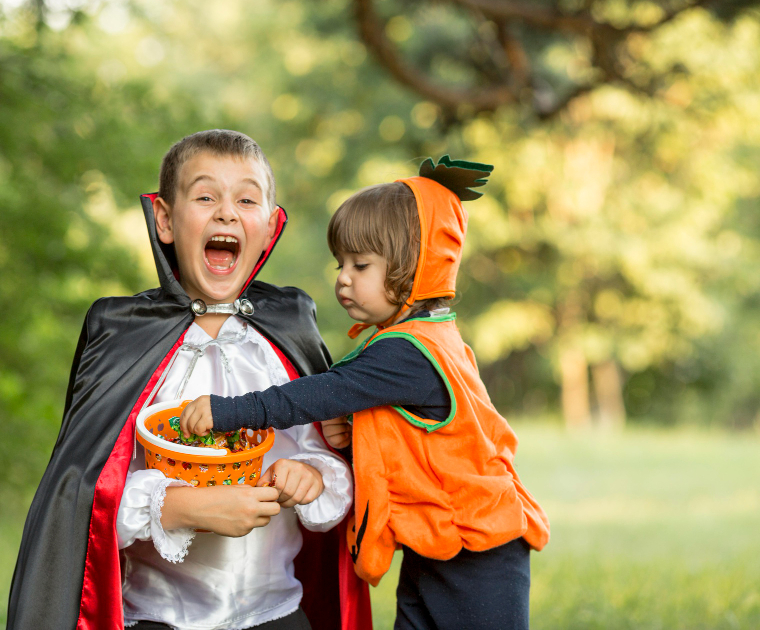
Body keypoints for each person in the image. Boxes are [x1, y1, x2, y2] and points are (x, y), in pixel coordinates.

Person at [6, 129, 371, 630]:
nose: (226, 212)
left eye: (246, 198)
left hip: (279, 613)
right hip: (160, 617)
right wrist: (179, 507)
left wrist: (312, 475)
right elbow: (82, 500)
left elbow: (335, 458)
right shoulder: (122, 332)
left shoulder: (290, 326)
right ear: (165, 219)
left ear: (269, 225)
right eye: (205, 196)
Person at [180, 156, 551, 630]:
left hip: (480, 550)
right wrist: (356, 437)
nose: (343, 278)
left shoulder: (408, 351)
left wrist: (230, 411)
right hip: (435, 540)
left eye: (361, 265)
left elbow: (316, 394)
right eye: (341, 263)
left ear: (415, 268)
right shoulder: (425, 336)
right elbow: (423, 444)